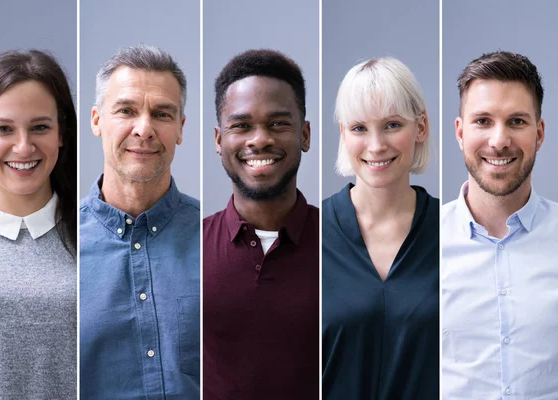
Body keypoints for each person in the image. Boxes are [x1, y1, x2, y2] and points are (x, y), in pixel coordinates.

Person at [79, 44, 200, 399]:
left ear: (180, 127)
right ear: (97, 120)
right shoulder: (60, 243)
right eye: (126, 110)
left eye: (162, 114)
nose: (144, 129)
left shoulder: (217, 240)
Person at [0, 50, 77, 399]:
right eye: (4, 129)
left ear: (61, 134)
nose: (23, 147)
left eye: (40, 127)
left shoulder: (92, 235)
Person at [203, 49, 319, 400]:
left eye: (278, 124)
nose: (259, 139)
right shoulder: (187, 248)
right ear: (219, 140)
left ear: (305, 135)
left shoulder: (345, 244)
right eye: (241, 126)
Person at [442, 51, 558, 398]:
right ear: (460, 132)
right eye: (483, 121)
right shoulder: (419, 241)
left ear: (539, 134)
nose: (499, 140)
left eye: (517, 122)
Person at [322, 58, 439, 399]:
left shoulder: (454, 231)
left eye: (391, 125)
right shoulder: (309, 234)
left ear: (420, 127)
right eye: (359, 128)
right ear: (343, 133)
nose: (376, 146)